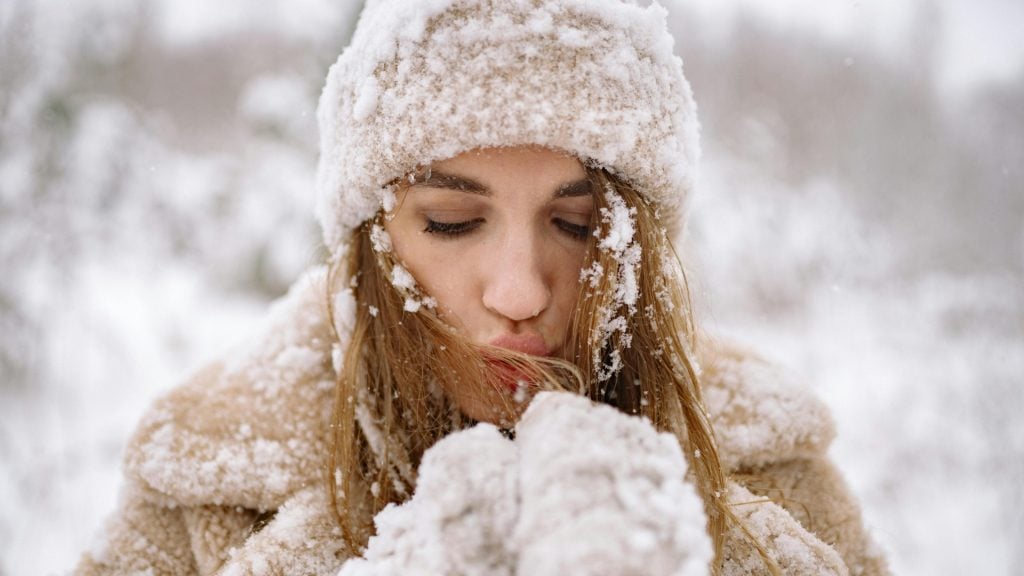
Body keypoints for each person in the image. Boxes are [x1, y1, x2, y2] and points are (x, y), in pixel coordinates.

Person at [76, 1, 889, 575]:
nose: (519, 292)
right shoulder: (204, 479)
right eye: (455, 221)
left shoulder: (776, 473)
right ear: (371, 240)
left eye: (574, 226)